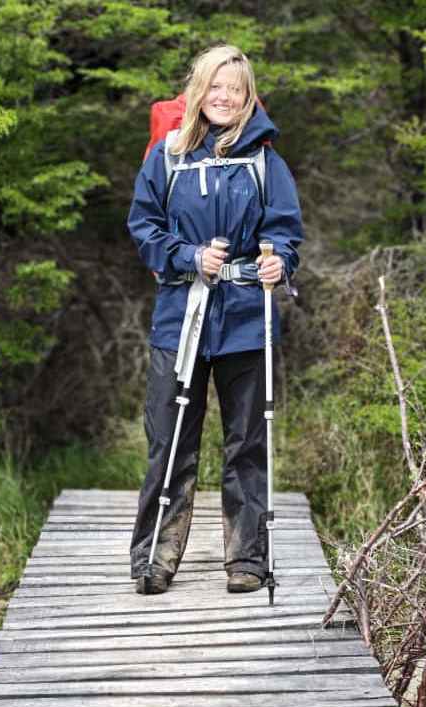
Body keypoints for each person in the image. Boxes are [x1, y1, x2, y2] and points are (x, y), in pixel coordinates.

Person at [127, 43, 303, 595]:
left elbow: (285, 230)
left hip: (248, 319)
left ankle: (246, 558)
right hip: (181, 317)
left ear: (248, 98)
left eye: (236, 90)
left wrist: (278, 261)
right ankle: (155, 554)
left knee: (246, 442)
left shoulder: (266, 162)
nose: (225, 98)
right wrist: (188, 257)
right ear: (198, 92)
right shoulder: (169, 155)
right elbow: (144, 227)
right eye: (216, 87)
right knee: (171, 439)